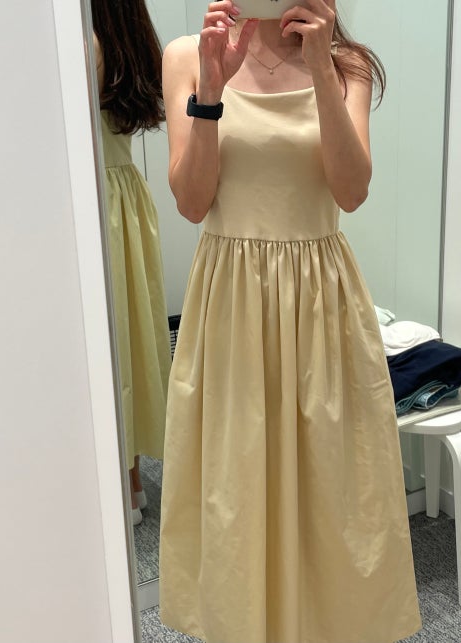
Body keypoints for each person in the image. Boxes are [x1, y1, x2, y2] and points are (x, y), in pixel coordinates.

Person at [159, 1, 422, 641]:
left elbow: (351, 191)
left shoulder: (346, 64)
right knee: (236, 485)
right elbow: (191, 202)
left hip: (320, 303)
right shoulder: (189, 55)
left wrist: (322, 70)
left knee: (332, 492)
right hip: (231, 303)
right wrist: (212, 92)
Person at [92, 0, 171, 525]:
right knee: (132, 337)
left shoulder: (87, 44)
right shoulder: (128, 38)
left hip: (97, 198)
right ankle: (132, 480)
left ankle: (118, 484)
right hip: (126, 197)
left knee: (108, 342)